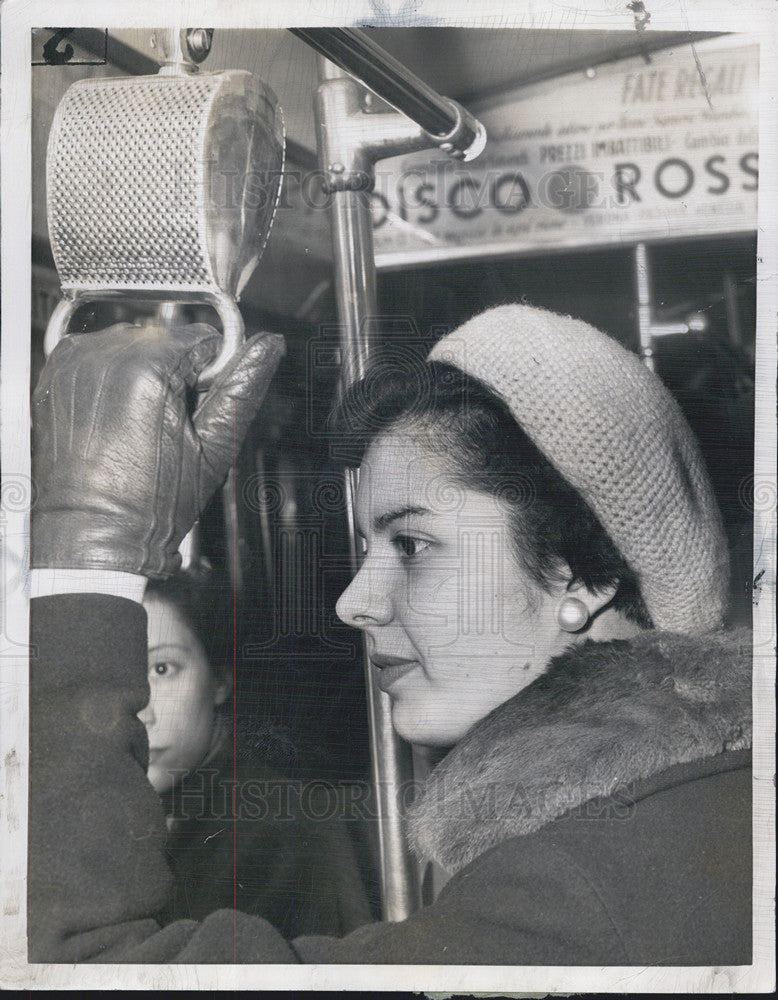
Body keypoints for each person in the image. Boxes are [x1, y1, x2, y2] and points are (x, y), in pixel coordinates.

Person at [29, 309, 751, 964]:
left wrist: (88, 550)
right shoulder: (688, 811)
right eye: (367, 551)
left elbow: (86, 964)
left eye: (412, 546)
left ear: (583, 573)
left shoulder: (581, 883)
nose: (353, 602)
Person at [141, 570, 372, 936]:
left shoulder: (278, 829)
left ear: (219, 679)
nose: (142, 711)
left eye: (162, 669)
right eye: (120, 676)